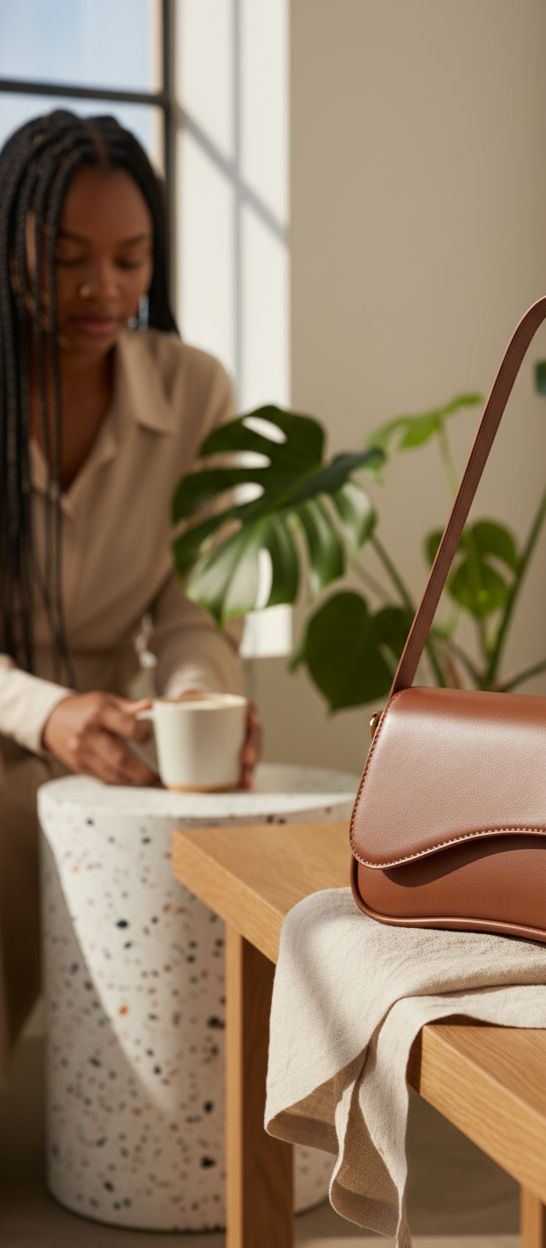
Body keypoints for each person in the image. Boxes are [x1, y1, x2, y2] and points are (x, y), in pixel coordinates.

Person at [0, 109, 263, 1082]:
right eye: (66, 256)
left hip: (116, 740)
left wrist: (195, 700)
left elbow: (195, 610)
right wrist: (45, 713)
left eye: (130, 257)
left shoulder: (195, 391)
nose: (102, 289)